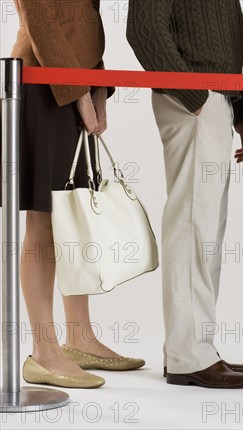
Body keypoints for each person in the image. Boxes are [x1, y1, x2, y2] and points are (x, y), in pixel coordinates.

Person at [0, 0, 144, 389]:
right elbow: (41, 17)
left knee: (73, 217)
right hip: (42, 84)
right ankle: (43, 352)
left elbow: (86, 17)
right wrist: (78, 90)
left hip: (71, 83)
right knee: (44, 219)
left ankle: (79, 336)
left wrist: (97, 84)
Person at [127, 0, 243, 389]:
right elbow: (143, 30)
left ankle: (197, 348)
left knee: (206, 232)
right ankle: (188, 356)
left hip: (215, 101)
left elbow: (225, 44)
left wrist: (240, 109)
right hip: (193, 104)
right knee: (191, 227)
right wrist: (196, 96)